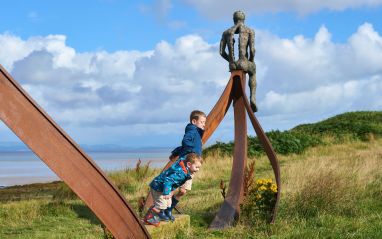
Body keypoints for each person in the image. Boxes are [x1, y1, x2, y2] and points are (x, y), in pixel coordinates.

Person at [143, 153, 203, 226]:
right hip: (158, 187)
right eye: (197, 167)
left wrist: (171, 191)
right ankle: (150, 218)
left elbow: (174, 183)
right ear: (189, 164)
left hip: (163, 187)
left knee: (168, 203)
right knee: (161, 205)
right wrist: (166, 193)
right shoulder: (180, 173)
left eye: (199, 167)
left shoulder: (185, 170)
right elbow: (168, 181)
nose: (198, 169)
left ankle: (156, 215)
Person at [167, 110, 206, 218]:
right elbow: (186, 142)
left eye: (204, 122)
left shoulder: (196, 133)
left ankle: (168, 209)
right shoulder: (192, 131)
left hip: (191, 165)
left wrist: (175, 153)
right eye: (202, 122)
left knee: (183, 191)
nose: (204, 124)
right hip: (186, 163)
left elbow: (184, 146)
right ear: (194, 121)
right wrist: (191, 155)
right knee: (174, 186)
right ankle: (164, 208)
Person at [220, 10, 258, 112]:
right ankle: (253, 97)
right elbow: (252, 50)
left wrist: (231, 61)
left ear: (234, 19)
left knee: (237, 72)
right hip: (244, 62)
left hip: (232, 65)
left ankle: (235, 97)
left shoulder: (226, 32)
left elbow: (221, 52)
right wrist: (251, 61)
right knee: (253, 71)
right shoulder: (249, 31)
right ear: (244, 19)